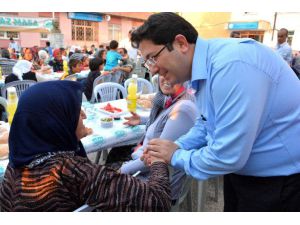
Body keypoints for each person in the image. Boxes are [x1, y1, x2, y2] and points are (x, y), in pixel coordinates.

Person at [131, 12, 300, 212]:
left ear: (181, 44)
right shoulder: (201, 69)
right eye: (147, 63)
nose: (153, 70)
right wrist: (176, 145)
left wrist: (175, 155)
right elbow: (206, 122)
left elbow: (228, 155)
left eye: (153, 58)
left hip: (279, 182)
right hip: (243, 174)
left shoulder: (232, 65)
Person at [0, 80, 171, 212]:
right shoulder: (70, 172)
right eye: (74, 110)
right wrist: (158, 161)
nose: (83, 114)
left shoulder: (16, 164)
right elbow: (158, 202)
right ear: (55, 122)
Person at [117, 76, 197, 205]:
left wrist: (122, 170)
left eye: (171, 72)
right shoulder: (173, 100)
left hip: (157, 187)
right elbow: (163, 123)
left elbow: (155, 159)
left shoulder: (182, 109)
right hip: (146, 164)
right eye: (161, 72)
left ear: (183, 72)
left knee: (100, 186)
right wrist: (142, 120)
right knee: (115, 153)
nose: (165, 77)